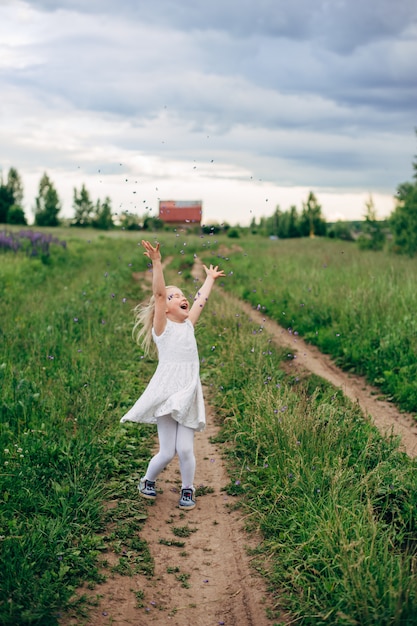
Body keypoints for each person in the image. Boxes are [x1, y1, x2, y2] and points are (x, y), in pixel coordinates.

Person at [120, 239, 225, 510]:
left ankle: (188, 490)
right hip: (167, 394)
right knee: (167, 452)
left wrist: (210, 279)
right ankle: (147, 481)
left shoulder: (188, 325)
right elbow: (157, 295)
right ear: (164, 309)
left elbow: (201, 300)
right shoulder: (162, 329)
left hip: (188, 392)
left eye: (180, 294)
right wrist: (156, 262)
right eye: (172, 296)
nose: (180, 297)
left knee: (186, 449)